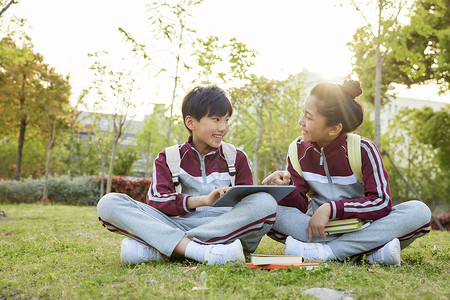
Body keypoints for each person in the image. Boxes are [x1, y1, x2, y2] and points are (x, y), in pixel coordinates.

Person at [97, 85, 277, 265]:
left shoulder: (237, 158)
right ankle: (201, 251)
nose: (223, 127)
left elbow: (248, 204)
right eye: (216, 119)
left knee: (265, 202)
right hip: (178, 225)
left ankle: (172, 247)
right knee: (109, 203)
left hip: (226, 228)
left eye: (227, 120)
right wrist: (202, 200)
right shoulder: (168, 157)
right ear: (191, 122)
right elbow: (156, 200)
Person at [262, 80, 431, 266]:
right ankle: (370, 252)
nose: (300, 121)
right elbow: (301, 205)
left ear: (334, 128)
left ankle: (328, 252)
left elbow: (381, 202)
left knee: (419, 211)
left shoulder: (363, 149)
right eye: (303, 113)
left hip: (364, 229)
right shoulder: (297, 150)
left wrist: (331, 208)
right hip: (318, 229)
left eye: (308, 117)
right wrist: (285, 189)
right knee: (267, 208)